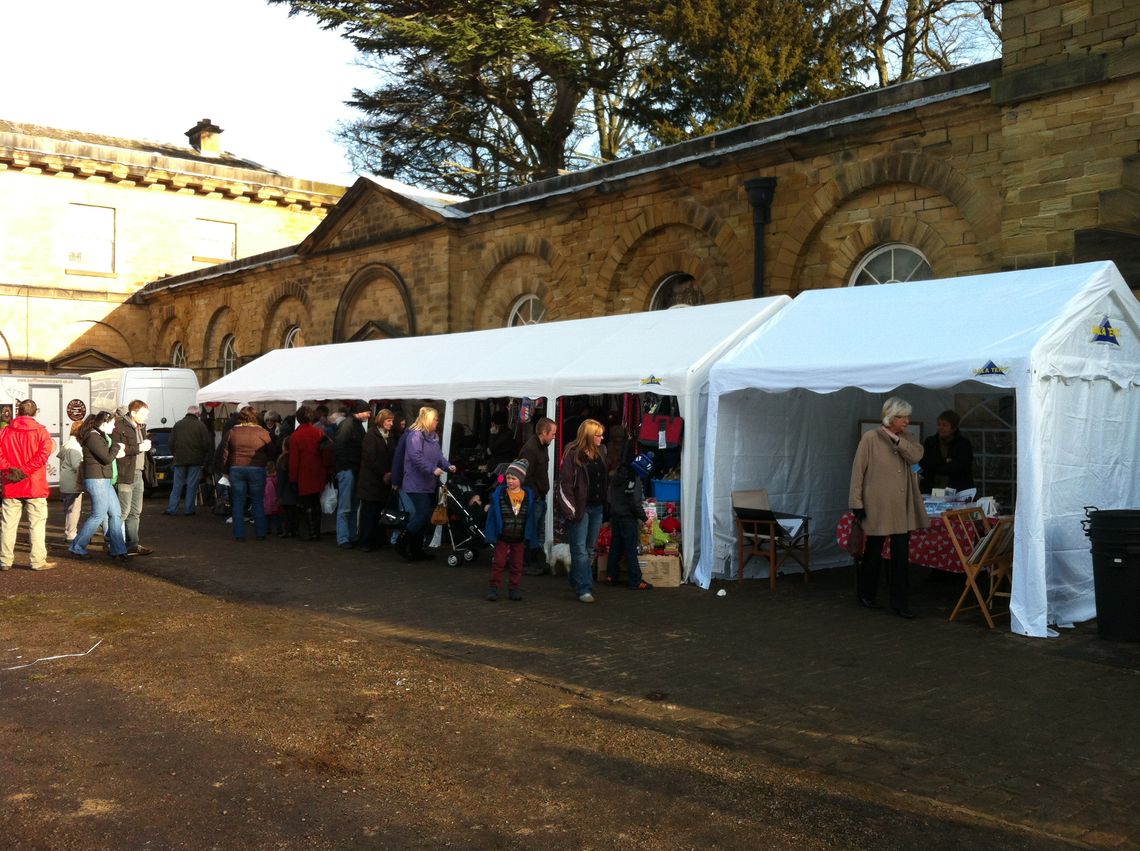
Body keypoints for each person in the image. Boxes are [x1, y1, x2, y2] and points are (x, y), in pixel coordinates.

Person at [849, 397, 929, 619]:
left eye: (907, 417)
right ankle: (867, 594)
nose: (907, 421)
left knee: (901, 557)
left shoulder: (907, 438)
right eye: (903, 417)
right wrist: (856, 503)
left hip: (902, 508)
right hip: (878, 506)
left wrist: (895, 439)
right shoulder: (870, 439)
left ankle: (900, 602)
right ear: (891, 417)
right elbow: (858, 473)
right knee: (873, 553)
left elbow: (916, 456)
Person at [556, 418, 608, 603]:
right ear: (588, 435)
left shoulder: (601, 452)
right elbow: (565, 484)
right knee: (580, 549)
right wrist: (571, 510)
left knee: (588, 548)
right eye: (598, 434)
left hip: (597, 505)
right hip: (580, 507)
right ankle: (584, 588)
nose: (601, 438)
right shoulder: (572, 454)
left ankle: (576, 578)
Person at [0, 400, 56, 571]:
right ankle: (38, 561)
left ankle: (5, 560)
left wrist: (12, 470)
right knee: (37, 524)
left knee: (8, 524)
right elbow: (43, 455)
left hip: (11, 483)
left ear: (18, 411)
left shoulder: (5, 432)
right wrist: (25, 471)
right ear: (35, 412)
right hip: (34, 484)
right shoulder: (41, 432)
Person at [67, 411, 129, 563]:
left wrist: (114, 445)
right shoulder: (93, 437)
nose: (114, 427)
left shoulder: (98, 435)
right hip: (97, 479)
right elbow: (106, 458)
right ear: (104, 423)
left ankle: (119, 549)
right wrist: (116, 446)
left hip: (103, 479)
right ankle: (77, 546)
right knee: (99, 515)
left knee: (116, 513)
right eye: (113, 424)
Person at [398, 406, 455, 562]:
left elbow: (438, 456)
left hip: (428, 482)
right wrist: (432, 468)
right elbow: (416, 457)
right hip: (415, 482)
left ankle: (417, 550)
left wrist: (446, 465)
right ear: (429, 420)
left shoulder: (433, 437)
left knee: (425, 516)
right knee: (423, 514)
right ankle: (402, 542)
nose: (438, 422)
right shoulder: (415, 436)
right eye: (436, 419)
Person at [483, 459, 539, 602]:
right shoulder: (500, 494)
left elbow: (530, 518)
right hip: (503, 535)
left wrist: (530, 536)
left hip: (519, 536)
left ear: (521, 479)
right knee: (499, 562)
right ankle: (494, 587)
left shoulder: (528, 496)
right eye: (508, 477)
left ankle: (514, 588)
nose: (510, 481)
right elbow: (494, 514)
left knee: (517, 564)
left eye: (513, 478)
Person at [220, 406, 272, 543]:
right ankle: (261, 533)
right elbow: (271, 451)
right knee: (257, 501)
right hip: (257, 469)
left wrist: (225, 472)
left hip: (236, 468)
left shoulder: (232, 432)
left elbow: (225, 454)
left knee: (238, 502)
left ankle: (239, 535)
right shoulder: (263, 432)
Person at [112, 400, 154, 556]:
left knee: (135, 511)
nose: (146, 417)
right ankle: (114, 544)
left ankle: (133, 544)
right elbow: (116, 449)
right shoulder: (119, 426)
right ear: (133, 413)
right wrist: (139, 448)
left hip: (138, 472)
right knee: (123, 512)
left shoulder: (141, 427)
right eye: (143, 414)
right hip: (125, 473)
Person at [605, 457, 652, 590]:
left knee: (616, 547)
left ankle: (611, 575)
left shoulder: (617, 474)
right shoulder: (633, 478)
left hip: (616, 516)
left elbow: (609, 496)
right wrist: (645, 519)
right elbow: (634, 502)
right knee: (631, 549)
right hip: (628, 518)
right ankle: (635, 580)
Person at [518, 416, 556, 575]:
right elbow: (526, 476)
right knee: (531, 530)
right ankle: (528, 563)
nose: (554, 437)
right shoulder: (529, 449)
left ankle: (537, 561)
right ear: (543, 432)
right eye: (553, 434)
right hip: (533, 497)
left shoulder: (542, 447)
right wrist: (537, 493)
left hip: (540, 496)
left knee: (538, 531)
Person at [357, 408, 398, 552]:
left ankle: (377, 539)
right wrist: (384, 473)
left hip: (383, 481)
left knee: (380, 511)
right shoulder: (371, 435)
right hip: (371, 481)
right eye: (388, 420)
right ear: (381, 420)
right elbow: (370, 459)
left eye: (392, 421)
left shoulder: (390, 436)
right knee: (369, 512)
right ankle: (365, 541)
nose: (391, 423)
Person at [333, 400, 372, 548]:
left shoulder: (354, 425)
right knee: (346, 505)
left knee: (352, 504)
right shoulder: (348, 425)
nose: (369, 415)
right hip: (349, 470)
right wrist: (345, 468)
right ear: (360, 411)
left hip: (352, 470)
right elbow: (339, 446)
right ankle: (344, 538)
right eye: (368, 412)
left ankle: (350, 536)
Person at [165, 405, 213, 516]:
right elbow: (207, 444)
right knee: (192, 486)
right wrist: (203, 457)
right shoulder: (201, 426)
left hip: (179, 460)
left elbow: (170, 442)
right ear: (197, 414)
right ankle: (189, 509)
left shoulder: (178, 424)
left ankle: (172, 509)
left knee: (177, 485)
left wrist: (175, 454)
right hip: (196, 460)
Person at [289, 405, 328, 541]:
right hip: (318, 471)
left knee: (306, 505)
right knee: (316, 503)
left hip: (303, 473)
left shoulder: (295, 436)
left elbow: (294, 460)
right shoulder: (319, 432)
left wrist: (293, 478)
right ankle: (316, 532)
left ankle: (310, 532)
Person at [919, 409, 975, 493]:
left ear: (953, 428)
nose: (940, 428)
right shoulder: (930, 441)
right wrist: (945, 461)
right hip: (931, 489)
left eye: (944, 425)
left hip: (957, 490)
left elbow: (958, 467)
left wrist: (936, 465)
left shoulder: (963, 444)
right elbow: (924, 463)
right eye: (939, 424)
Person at [57, 419, 85, 546]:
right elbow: (76, 465)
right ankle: (71, 534)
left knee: (68, 508)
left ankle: (68, 532)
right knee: (74, 509)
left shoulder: (67, 444)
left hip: (65, 480)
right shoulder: (76, 447)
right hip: (73, 482)